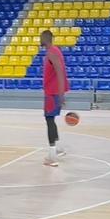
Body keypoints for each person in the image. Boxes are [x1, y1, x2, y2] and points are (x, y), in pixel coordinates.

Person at [41, 30, 69, 167]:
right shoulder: (54, 51)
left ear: (46, 38)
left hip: (52, 93)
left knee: (49, 119)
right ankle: (57, 149)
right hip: (53, 92)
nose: (39, 40)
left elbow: (59, 71)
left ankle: (52, 156)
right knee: (50, 119)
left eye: (41, 37)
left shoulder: (52, 52)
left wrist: (61, 93)